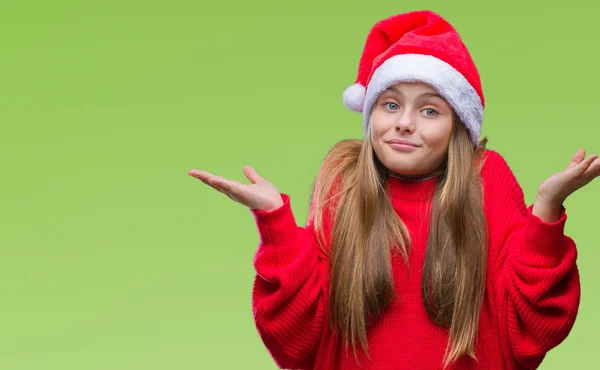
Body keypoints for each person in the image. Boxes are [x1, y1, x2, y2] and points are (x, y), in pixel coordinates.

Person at [188, 10, 597, 370]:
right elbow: (294, 343)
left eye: (430, 109)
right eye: (390, 104)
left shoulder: (485, 179)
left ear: (459, 127)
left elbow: (532, 330)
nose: (404, 123)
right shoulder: (343, 183)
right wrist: (276, 220)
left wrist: (546, 211)